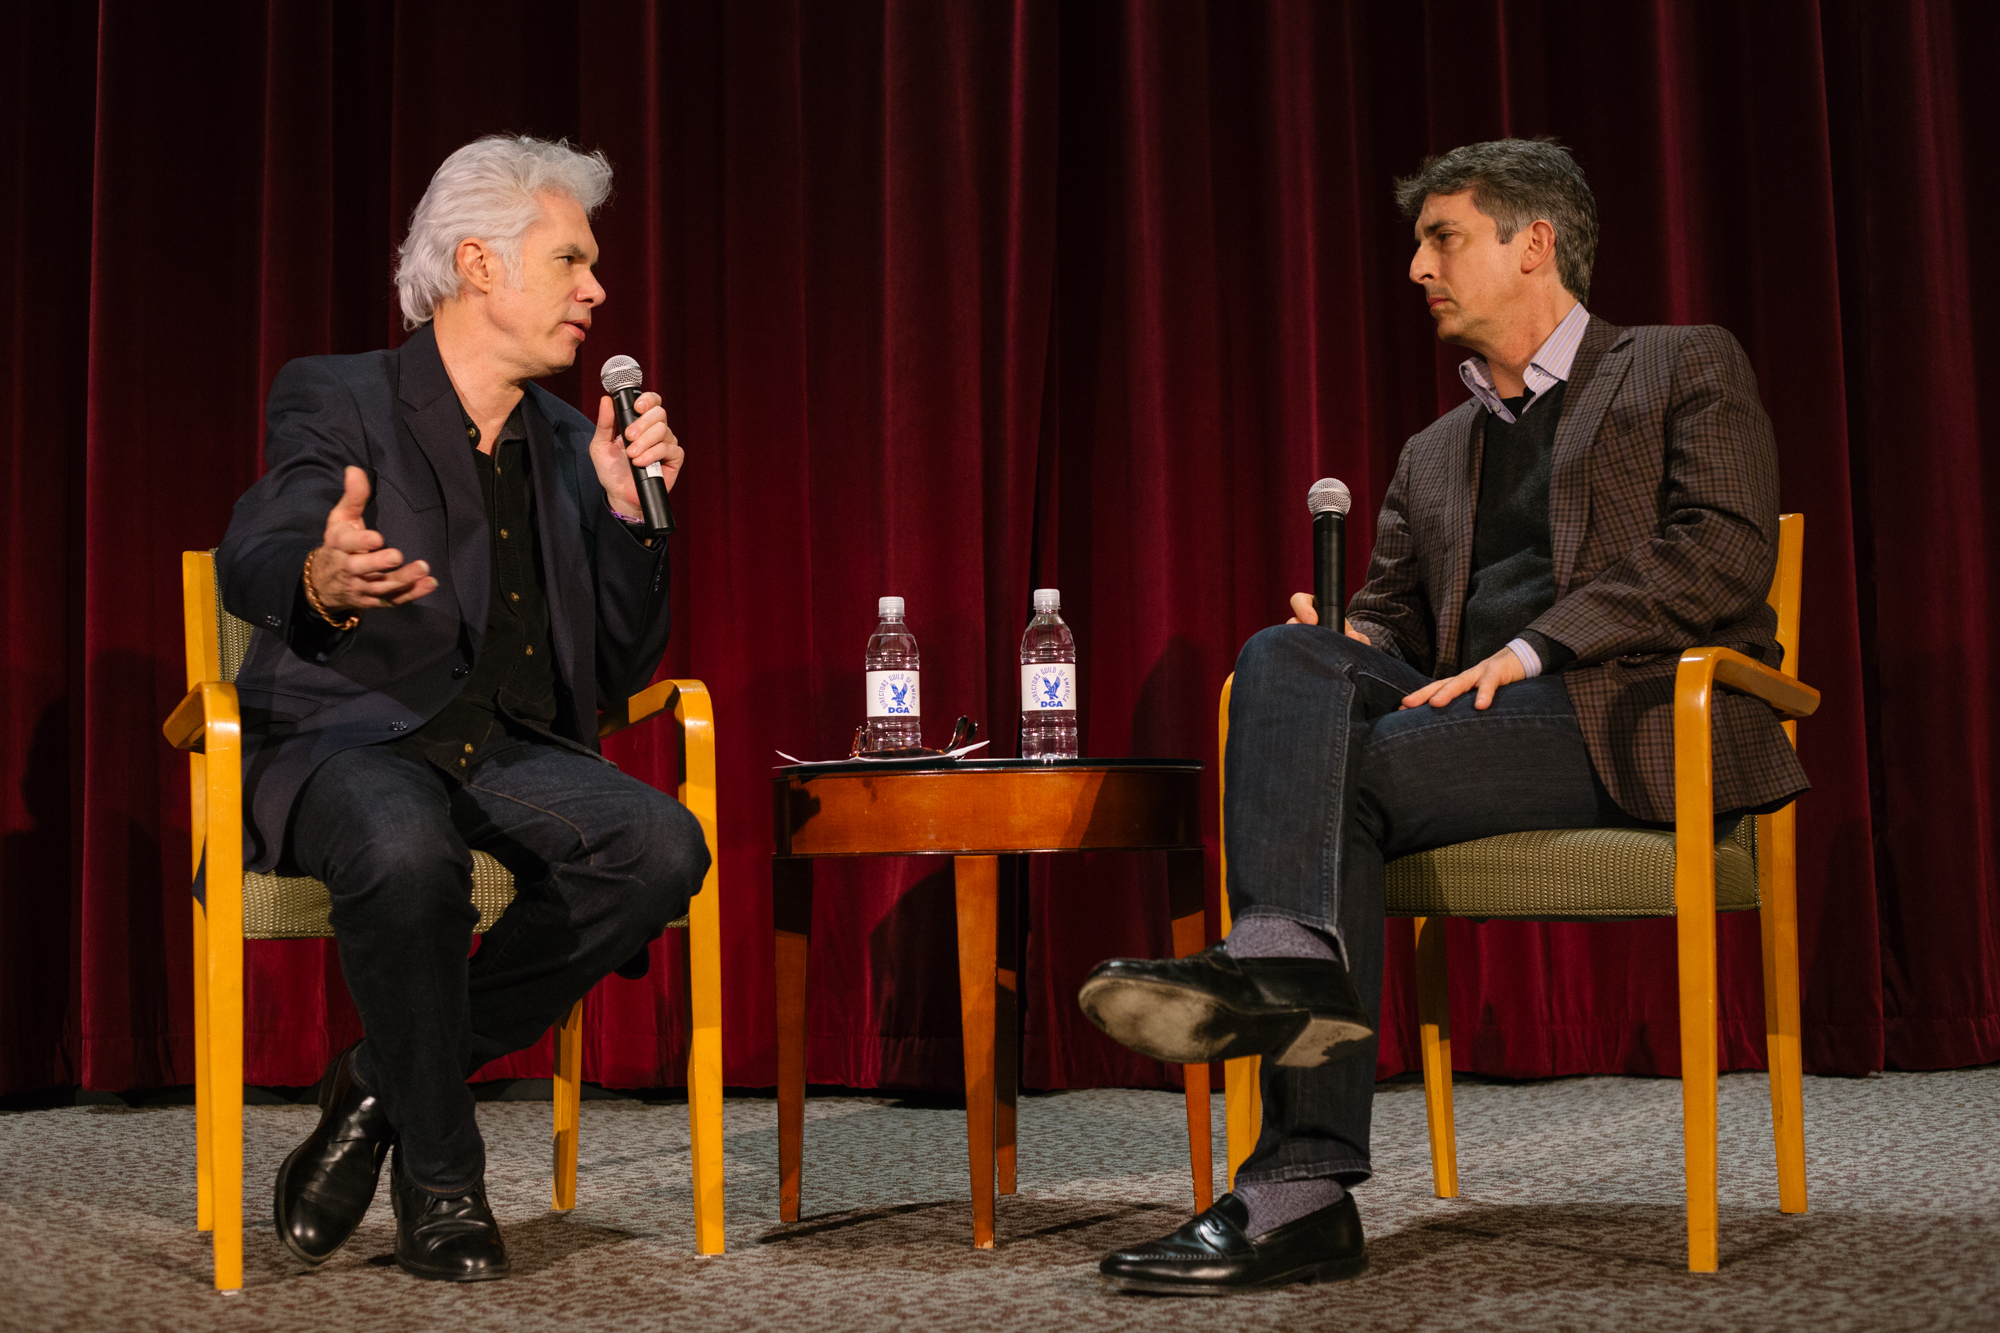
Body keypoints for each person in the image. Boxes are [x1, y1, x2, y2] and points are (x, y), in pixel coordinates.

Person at [1077, 137, 1808, 1294]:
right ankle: (1286, 976)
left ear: (1534, 243)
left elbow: (1720, 552)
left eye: (1442, 238)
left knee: (1347, 777)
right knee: (1286, 656)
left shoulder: (1677, 365)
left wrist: (1528, 650)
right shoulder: (1433, 452)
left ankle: (1296, 1179)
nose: (1416, 267)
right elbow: (1398, 625)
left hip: (1630, 713)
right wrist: (1352, 643)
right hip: (1465, 729)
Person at [218, 135, 709, 1283]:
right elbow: (263, 539)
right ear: (479, 263)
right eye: (572, 259)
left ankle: (382, 1077)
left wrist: (633, 520)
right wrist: (317, 575)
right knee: (404, 849)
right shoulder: (339, 394)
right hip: (358, 734)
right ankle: (442, 1184)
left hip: (513, 748)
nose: (597, 290)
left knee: (656, 845)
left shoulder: (559, 439)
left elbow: (625, 656)